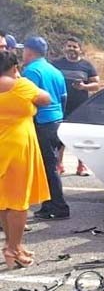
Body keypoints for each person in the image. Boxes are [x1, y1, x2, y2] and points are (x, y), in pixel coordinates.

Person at [0, 50, 52, 267]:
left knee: (3, 200)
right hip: (17, 147)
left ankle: (13, 245)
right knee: (18, 203)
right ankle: (13, 250)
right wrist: (20, 78)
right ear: (14, 67)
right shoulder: (21, 85)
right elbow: (46, 99)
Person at [22, 37, 71, 221]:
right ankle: (48, 205)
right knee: (46, 166)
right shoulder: (54, 70)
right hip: (56, 121)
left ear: (29, 51)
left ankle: (59, 206)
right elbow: (64, 97)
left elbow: (28, 100)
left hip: (41, 123)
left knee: (48, 168)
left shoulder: (32, 71)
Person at [53, 36, 100, 176]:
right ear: (64, 48)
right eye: (69, 46)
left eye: (74, 46)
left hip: (80, 106)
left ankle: (81, 166)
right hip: (61, 106)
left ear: (80, 49)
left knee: (80, 137)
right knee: (59, 137)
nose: (71, 49)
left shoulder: (87, 66)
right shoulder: (56, 64)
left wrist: (84, 86)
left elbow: (96, 85)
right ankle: (59, 165)